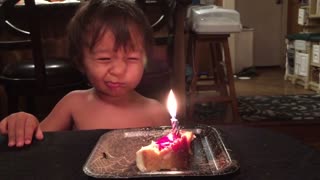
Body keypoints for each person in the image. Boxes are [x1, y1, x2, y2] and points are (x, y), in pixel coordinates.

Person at [0, 0, 171, 147]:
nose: (118, 70)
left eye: (132, 58)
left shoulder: (156, 113)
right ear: (81, 61)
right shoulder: (73, 103)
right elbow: (40, 144)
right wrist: (24, 123)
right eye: (104, 58)